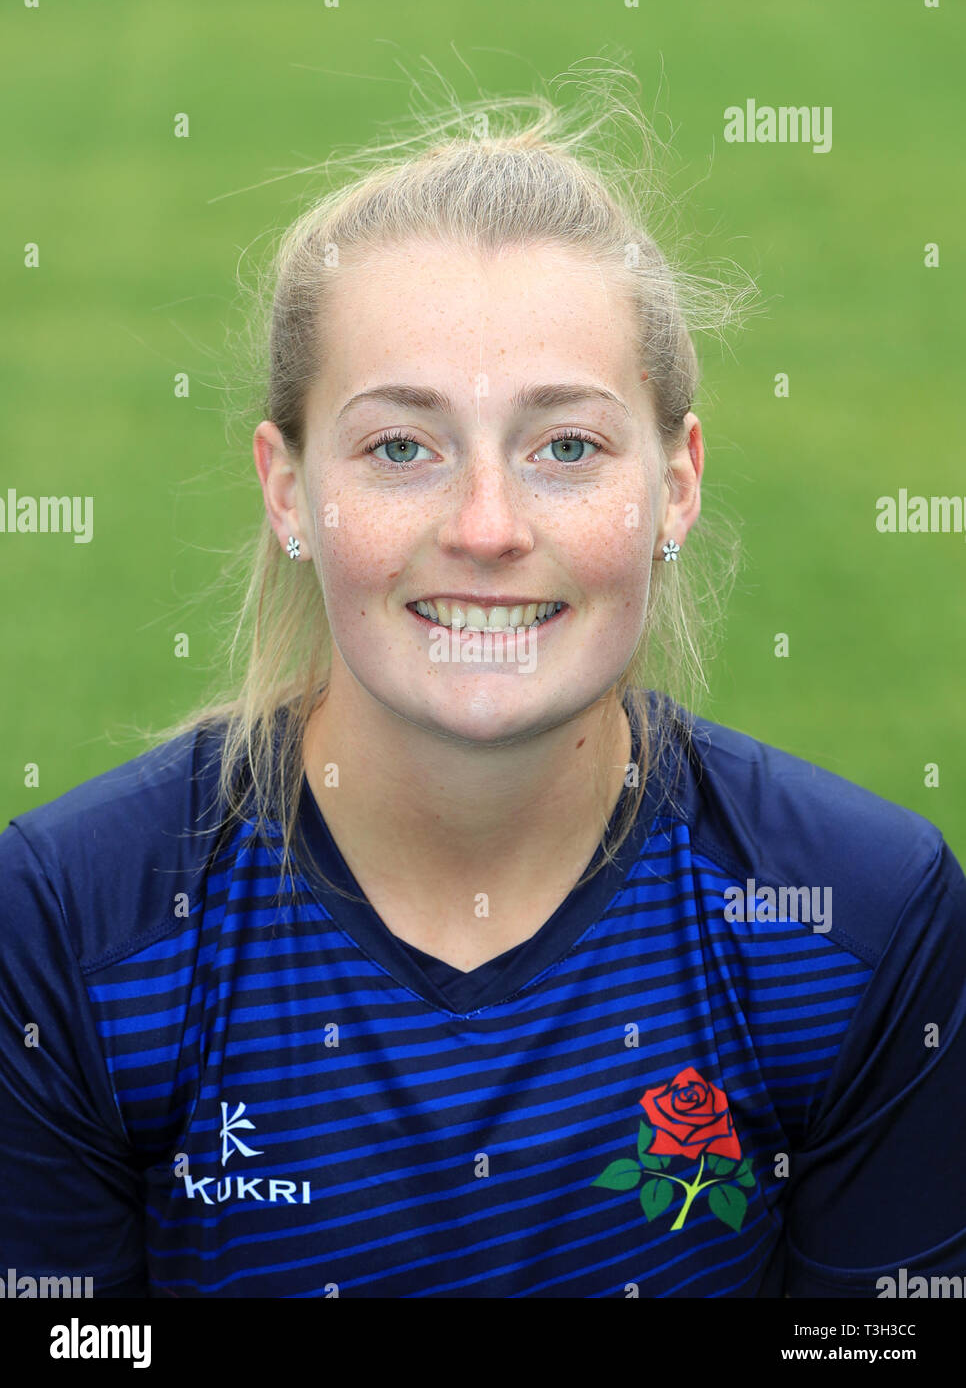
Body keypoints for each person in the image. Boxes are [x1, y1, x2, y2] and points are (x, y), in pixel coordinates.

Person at [1, 71, 964, 1300]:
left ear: (676, 483)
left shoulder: (861, 922)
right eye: (401, 445)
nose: (488, 526)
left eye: (567, 445)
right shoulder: (71, 929)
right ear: (288, 487)